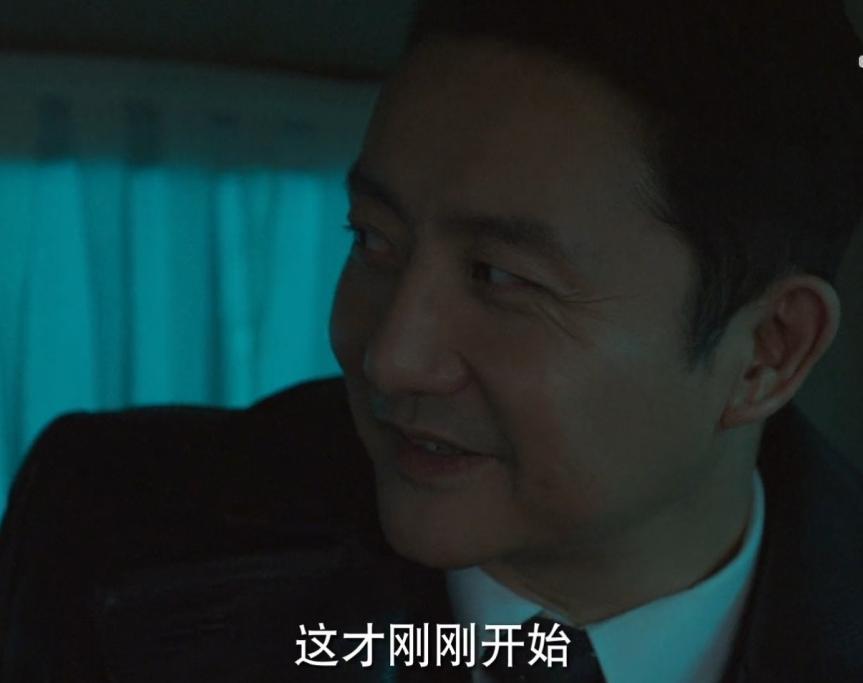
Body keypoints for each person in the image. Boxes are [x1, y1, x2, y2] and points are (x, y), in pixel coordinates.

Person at [2, 1, 862, 681]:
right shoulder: (114, 531)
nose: (389, 357)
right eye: (372, 239)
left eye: (498, 276)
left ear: (768, 350)